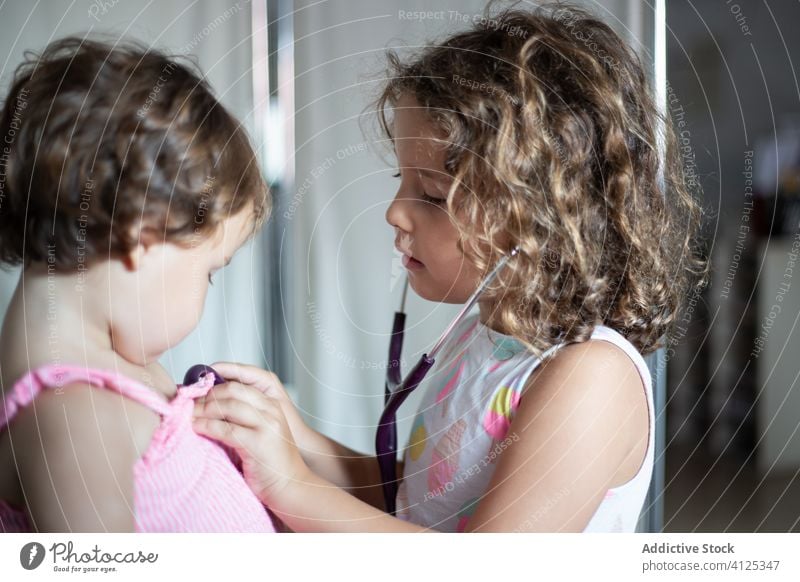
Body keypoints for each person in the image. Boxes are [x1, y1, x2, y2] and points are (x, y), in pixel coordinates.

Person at [192, 4, 708, 532]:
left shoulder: (590, 376)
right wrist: (295, 438)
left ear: (542, 219)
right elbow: (419, 501)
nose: (395, 210)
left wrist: (290, 485)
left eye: (432, 195)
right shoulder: (482, 337)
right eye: (402, 179)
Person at [0, 37, 276, 532]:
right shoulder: (75, 415)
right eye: (210, 270)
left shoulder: (111, 373)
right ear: (143, 236)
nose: (207, 290)